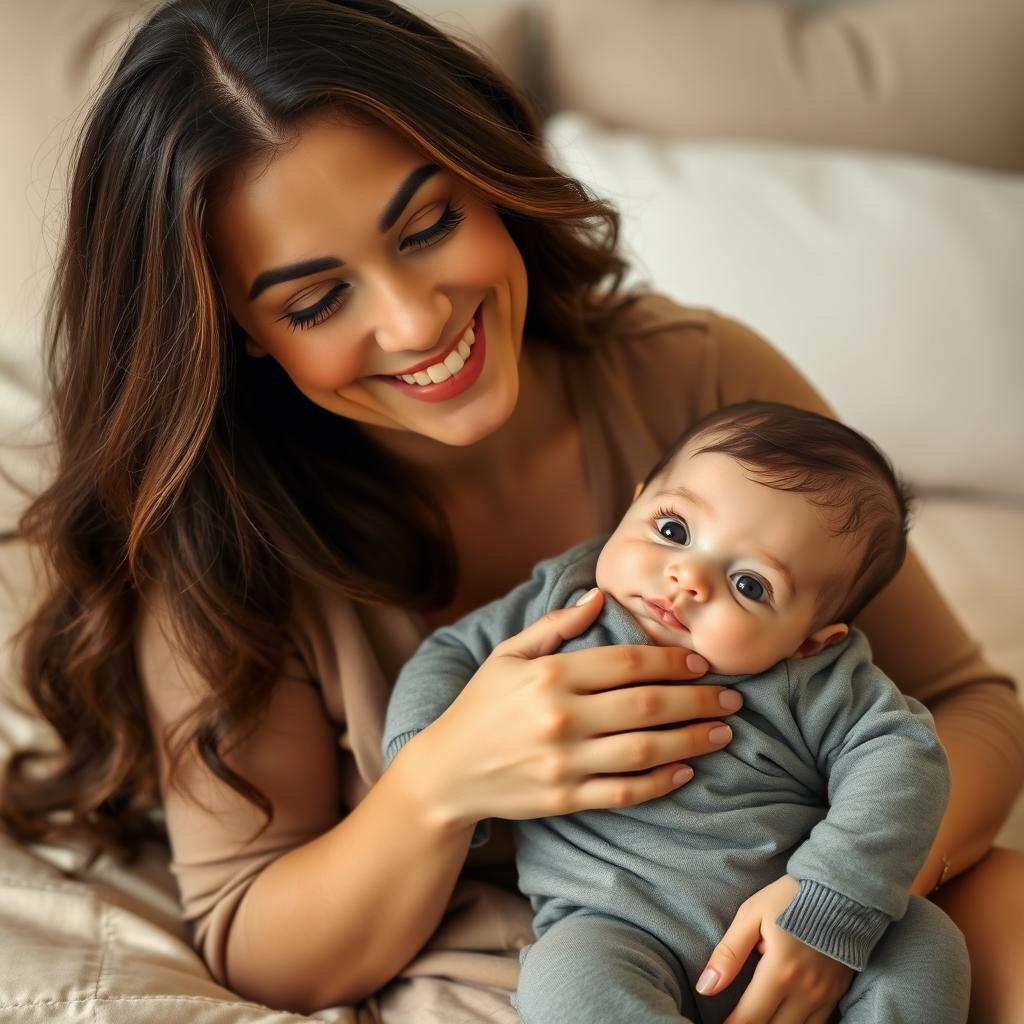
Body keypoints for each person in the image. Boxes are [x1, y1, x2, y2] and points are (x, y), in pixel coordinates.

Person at [0, 1, 1019, 1021]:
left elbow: (966, 709)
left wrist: (830, 898)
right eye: (315, 302)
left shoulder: (704, 385)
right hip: (566, 947)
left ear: (489, 178)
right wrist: (442, 781)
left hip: (807, 889)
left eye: (429, 223)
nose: (414, 319)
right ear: (239, 329)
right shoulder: (223, 538)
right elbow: (255, 937)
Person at [383, 400, 970, 1023]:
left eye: (750, 585)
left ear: (811, 637)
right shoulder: (562, 602)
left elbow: (907, 759)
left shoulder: (815, 679)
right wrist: (428, 751)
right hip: (611, 926)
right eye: (672, 530)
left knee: (928, 947)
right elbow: (450, 653)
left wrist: (827, 901)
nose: (688, 577)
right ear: (634, 502)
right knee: (563, 985)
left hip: (796, 926)